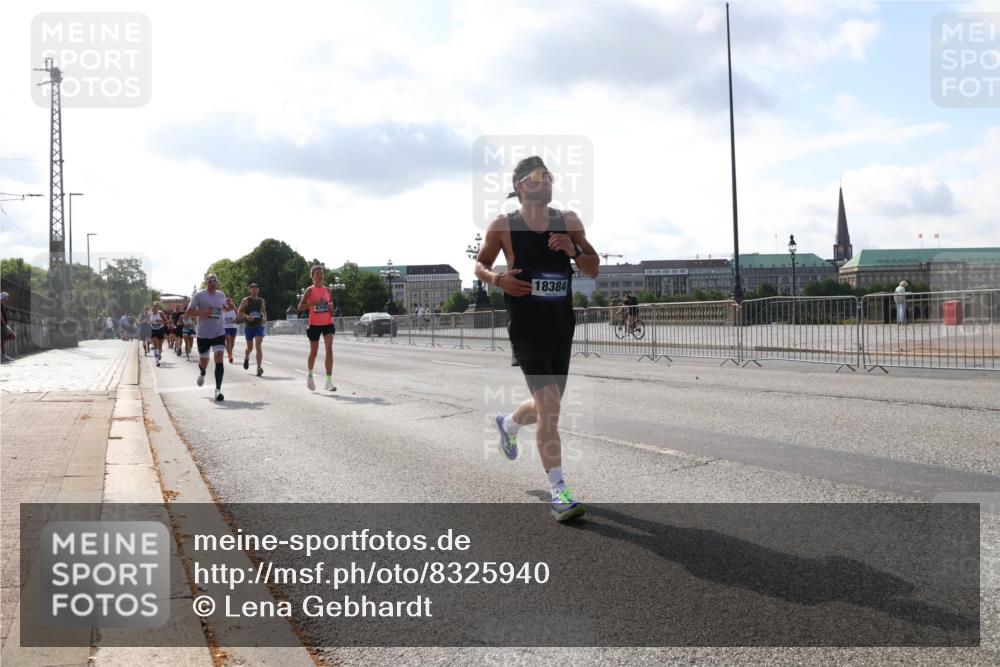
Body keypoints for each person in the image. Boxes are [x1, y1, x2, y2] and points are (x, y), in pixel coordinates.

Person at [474, 155, 600, 522]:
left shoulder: (568, 221)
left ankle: (509, 424)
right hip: (526, 326)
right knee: (550, 407)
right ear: (520, 186)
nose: (545, 182)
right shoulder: (503, 225)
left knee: (548, 405)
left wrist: (573, 251)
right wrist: (498, 280)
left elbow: (593, 267)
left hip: (560, 324)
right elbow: (480, 264)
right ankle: (559, 491)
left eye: (549, 177)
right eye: (537, 177)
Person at [185, 274, 229, 401]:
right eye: (210, 280)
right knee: (204, 362)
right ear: (206, 282)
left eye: (214, 280)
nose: (212, 282)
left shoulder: (221, 295)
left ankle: (218, 390)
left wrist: (226, 308)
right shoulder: (199, 295)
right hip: (203, 334)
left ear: (217, 282)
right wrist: (204, 312)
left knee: (219, 358)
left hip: (218, 332)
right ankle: (202, 371)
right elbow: (188, 312)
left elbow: (223, 308)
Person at [297, 266, 336, 392]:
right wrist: (312, 304)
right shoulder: (310, 290)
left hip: (327, 323)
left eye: (321, 273)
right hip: (314, 324)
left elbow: (332, 309)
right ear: (312, 276)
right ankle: (310, 376)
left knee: (329, 350)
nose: (320, 276)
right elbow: (300, 307)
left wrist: (330, 308)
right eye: (317, 274)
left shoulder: (328, 290)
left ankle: (328, 381)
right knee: (314, 352)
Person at [238, 283, 267, 376]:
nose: (255, 291)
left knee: (258, 345)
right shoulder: (246, 300)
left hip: (258, 325)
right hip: (249, 326)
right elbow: (239, 313)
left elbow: (264, 311)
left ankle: (259, 367)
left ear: (258, 290)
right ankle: (246, 357)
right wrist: (247, 316)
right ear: (250, 290)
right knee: (250, 348)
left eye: (256, 289)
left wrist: (264, 318)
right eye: (253, 289)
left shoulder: (261, 301)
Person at [148, 302, 167, 366]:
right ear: (152, 307)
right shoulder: (150, 314)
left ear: (158, 307)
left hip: (161, 329)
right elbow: (147, 321)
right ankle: (157, 361)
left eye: (156, 306)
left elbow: (167, 321)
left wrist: (160, 321)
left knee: (160, 346)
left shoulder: (161, 313)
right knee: (155, 345)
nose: (155, 307)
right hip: (153, 330)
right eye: (154, 306)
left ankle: (159, 353)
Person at [222, 297, 238, 364]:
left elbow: (238, 316)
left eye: (229, 301)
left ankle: (230, 353)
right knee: (227, 340)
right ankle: (230, 355)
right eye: (227, 301)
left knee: (232, 342)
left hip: (233, 327)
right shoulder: (222, 309)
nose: (228, 303)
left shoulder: (234, 309)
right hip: (225, 328)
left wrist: (236, 320)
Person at [1, 292, 16, 363]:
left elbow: (5, 309)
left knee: (4, 339)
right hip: (2, 325)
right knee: (13, 336)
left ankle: (4, 356)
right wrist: (3, 323)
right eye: (7, 297)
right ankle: (4, 356)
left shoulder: (2, 304)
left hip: (3, 324)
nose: (7, 298)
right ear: (4, 297)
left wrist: (11, 310)